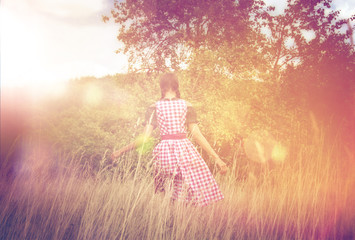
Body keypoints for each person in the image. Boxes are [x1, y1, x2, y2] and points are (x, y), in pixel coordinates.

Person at [112, 73, 228, 206]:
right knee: (192, 188)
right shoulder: (187, 105)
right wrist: (217, 158)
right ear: (176, 86)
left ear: (161, 87)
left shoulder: (154, 107)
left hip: (164, 153)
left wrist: (121, 151)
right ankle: (182, 221)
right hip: (184, 150)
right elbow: (197, 135)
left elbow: (144, 139)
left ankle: (168, 220)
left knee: (168, 194)